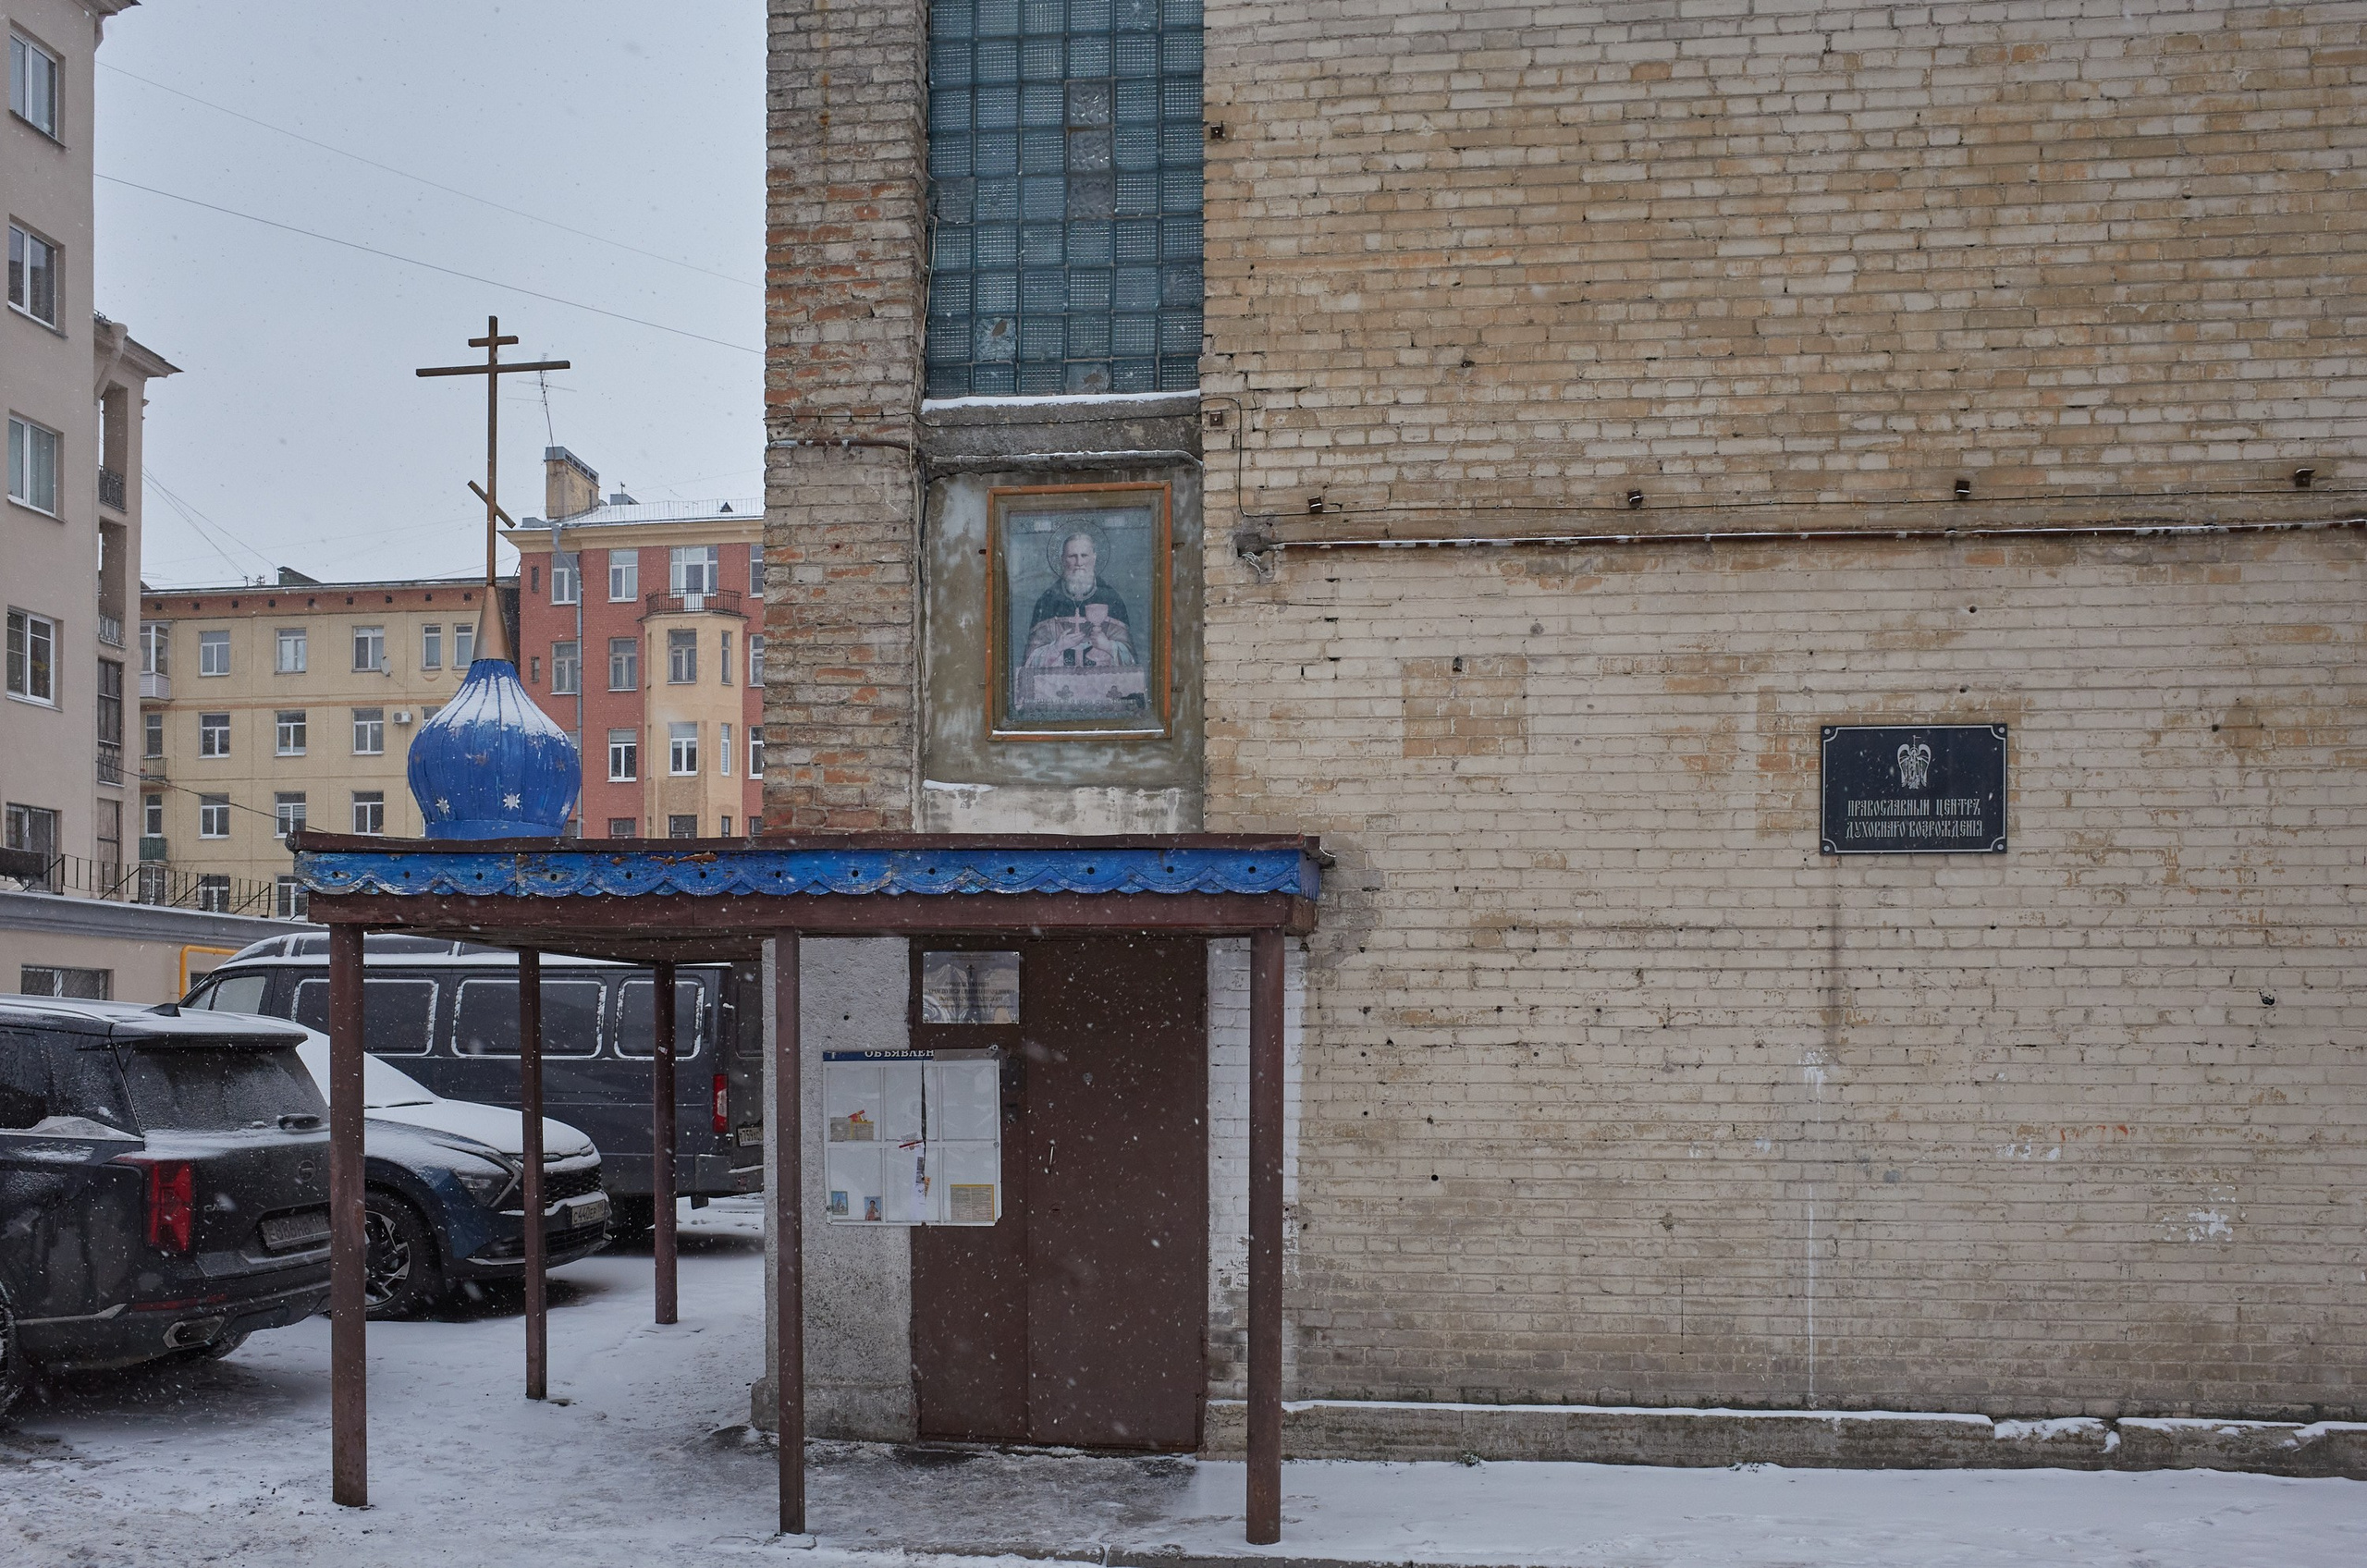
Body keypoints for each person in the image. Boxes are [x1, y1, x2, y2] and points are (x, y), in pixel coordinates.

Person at [1022, 532, 1135, 668]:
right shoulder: (1048, 601)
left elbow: (1131, 661)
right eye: (1072, 556)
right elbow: (1030, 662)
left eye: (1084, 556)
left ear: (1094, 558)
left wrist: (1109, 646)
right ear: (1063, 560)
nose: (1079, 563)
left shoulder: (1111, 599)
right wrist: (1057, 647)